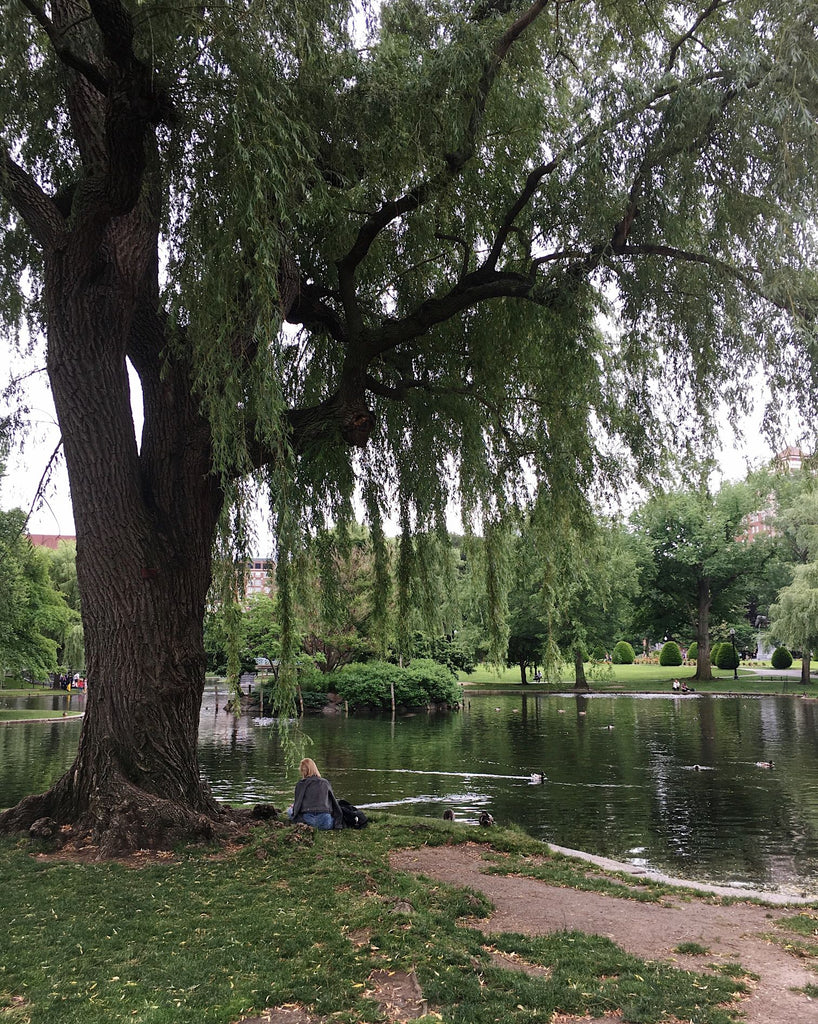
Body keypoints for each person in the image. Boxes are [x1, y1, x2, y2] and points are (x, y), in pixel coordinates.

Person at [287, 757, 343, 830]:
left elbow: (298, 806)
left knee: (289, 810)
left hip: (308, 823)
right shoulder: (325, 783)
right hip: (325, 824)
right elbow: (334, 803)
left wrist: (294, 808)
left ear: (303, 771)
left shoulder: (301, 784)